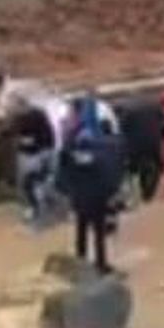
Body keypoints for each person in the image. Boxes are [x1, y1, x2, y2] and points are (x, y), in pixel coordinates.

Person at [57, 116, 125, 274]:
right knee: (99, 234)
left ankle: (81, 262)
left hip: (80, 197)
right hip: (97, 198)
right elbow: (108, 176)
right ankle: (101, 264)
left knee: (81, 232)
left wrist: (69, 192)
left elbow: (62, 176)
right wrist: (110, 195)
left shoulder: (70, 154)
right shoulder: (101, 154)